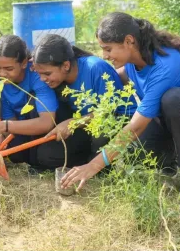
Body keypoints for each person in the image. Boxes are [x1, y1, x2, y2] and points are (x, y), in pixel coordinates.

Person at [61, 12, 180, 202]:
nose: (104, 56)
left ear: (129, 41)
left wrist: (93, 166)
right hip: (173, 118)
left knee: (173, 98)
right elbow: (112, 79)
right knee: (134, 155)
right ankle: (169, 160)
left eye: (108, 49)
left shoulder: (165, 64)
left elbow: (136, 127)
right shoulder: (134, 61)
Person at [32, 34, 137, 168]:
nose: (42, 79)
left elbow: (108, 113)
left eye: (47, 74)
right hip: (86, 126)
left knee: (101, 130)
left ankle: (100, 162)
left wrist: (73, 123)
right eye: (38, 73)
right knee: (47, 156)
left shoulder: (95, 68)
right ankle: (89, 159)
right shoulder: (59, 81)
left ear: (65, 65)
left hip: (116, 123)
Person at [0, 35, 59, 172]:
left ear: (24, 63)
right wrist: (0, 135)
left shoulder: (37, 75)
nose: (2, 73)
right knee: (14, 154)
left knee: (44, 156)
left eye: (9, 68)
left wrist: (3, 126)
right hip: (20, 127)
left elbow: (47, 122)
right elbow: (9, 118)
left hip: (44, 127)